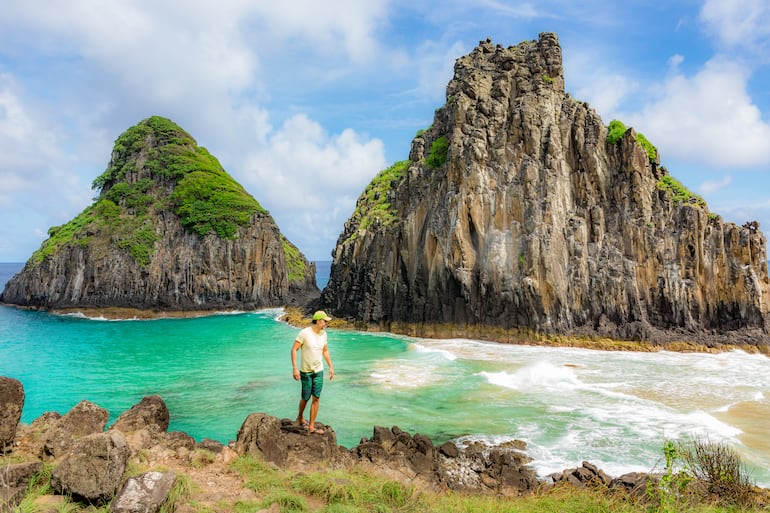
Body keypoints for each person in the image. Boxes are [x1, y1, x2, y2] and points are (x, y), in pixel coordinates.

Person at [291, 310, 334, 434]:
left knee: (316, 397)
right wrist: (294, 368)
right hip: (306, 372)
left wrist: (331, 367)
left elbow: (325, 351)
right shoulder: (304, 333)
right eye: (325, 321)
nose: (326, 323)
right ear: (319, 321)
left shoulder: (324, 334)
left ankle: (311, 426)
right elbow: (294, 350)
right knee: (305, 397)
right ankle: (300, 417)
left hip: (319, 371)